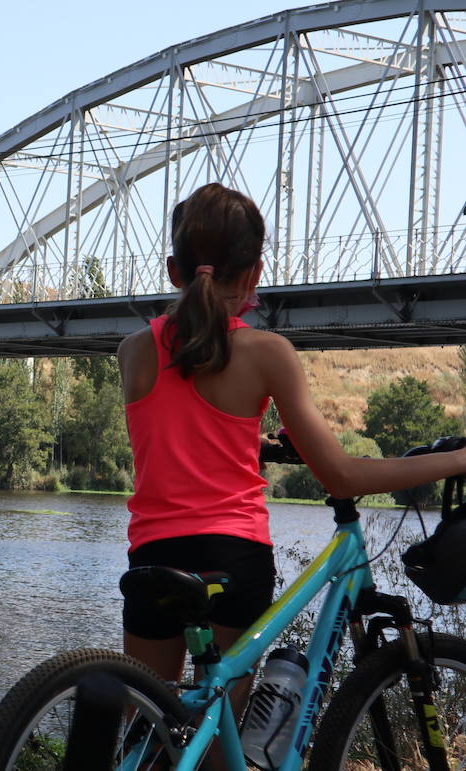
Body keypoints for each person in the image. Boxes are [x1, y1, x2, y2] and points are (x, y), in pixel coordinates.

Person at [115, 182, 466, 718]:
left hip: (153, 556)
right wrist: (460, 459)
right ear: (255, 274)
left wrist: (242, 444)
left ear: (173, 270)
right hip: (234, 557)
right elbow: (343, 476)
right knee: (218, 731)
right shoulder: (267, 353)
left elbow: (177, 429)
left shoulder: (131, 351)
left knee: (150, 726)